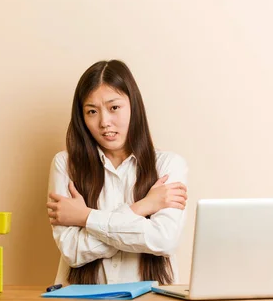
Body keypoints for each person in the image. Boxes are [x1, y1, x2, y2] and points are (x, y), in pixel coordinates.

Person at [46, 59, 189, 286]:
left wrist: (85, 217)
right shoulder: (66, 164)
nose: (104, 122)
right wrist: (142, 207)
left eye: (114, 108)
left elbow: (164, 240)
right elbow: (72, 252)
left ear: (133, 106)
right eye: (92, 111)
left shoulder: (168, 165)